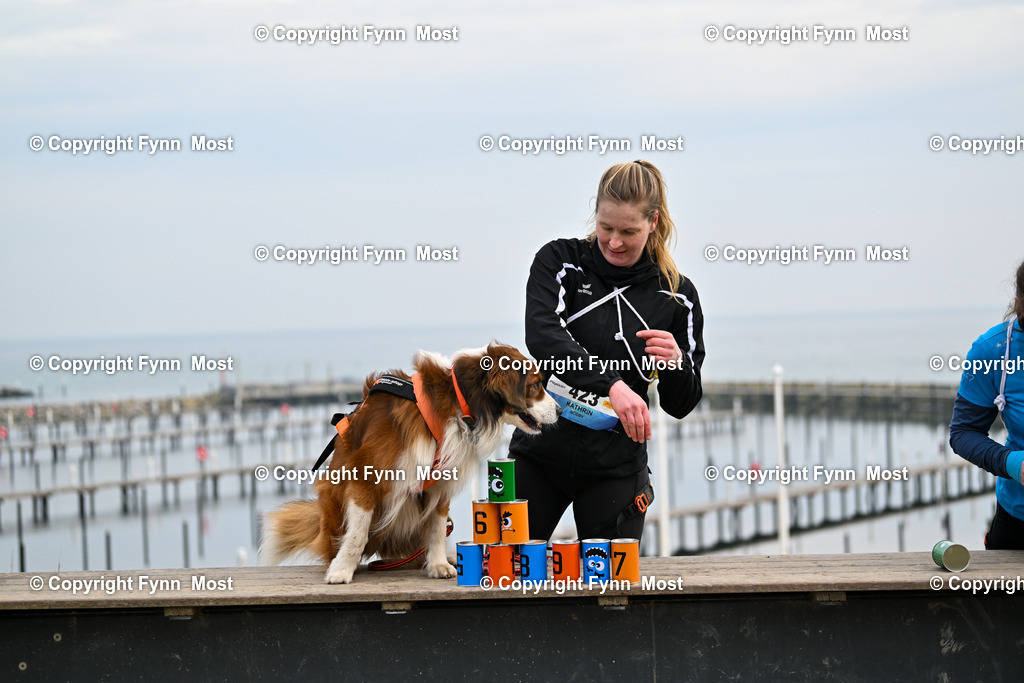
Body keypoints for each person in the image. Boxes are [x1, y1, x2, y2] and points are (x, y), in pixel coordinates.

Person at [508, 160, 705, 544]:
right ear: (594, 215)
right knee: (504, 576)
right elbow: (545, 339)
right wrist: (612, 385)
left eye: (628, 231)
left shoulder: (679, 296)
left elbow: (681, 404)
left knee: (611, 593)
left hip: (616, 469)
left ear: (653, 222)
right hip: (539, 454)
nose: (614, 241)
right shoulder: (560, 261)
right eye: (606, 227)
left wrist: (678, 364)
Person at [949, 259, 1024, 549]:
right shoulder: (992, 351)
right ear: (1020, 303)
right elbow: (964, 433)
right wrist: (1015, 463)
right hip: (1018, 520)